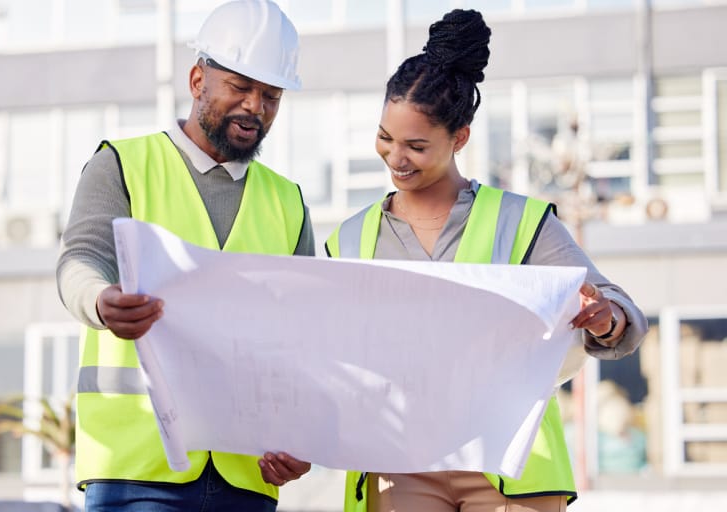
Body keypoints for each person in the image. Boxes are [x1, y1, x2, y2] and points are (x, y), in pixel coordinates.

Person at [325, 8, 649, 512]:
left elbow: (620, 310)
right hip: (402, 464)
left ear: (459, 139)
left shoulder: (520, 221)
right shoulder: (349, 240)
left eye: (416, 145)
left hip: (512, 465)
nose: (395, 158)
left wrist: (605, 319)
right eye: (386, 139)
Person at [56, 1, 313, 510]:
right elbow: (80, 259)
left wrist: (301, 436)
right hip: (138, 472)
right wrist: (102, 301)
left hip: (247, 475)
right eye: (240, 88)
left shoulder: (287, 200)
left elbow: (304, 338)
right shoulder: (123, 165)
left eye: (271, 96)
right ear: (198, 80)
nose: (255, 107)